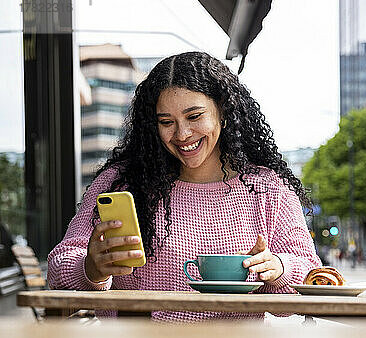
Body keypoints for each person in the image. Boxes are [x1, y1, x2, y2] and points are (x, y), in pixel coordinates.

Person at [47, 52, 321, 322]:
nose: (182, 135)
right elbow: (58, 269)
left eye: (194, 116)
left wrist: (279, 268)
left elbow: (311, 278)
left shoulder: (268, 189)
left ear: (223, 112)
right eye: (166, 122)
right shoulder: (121, 183)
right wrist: (90, 269)